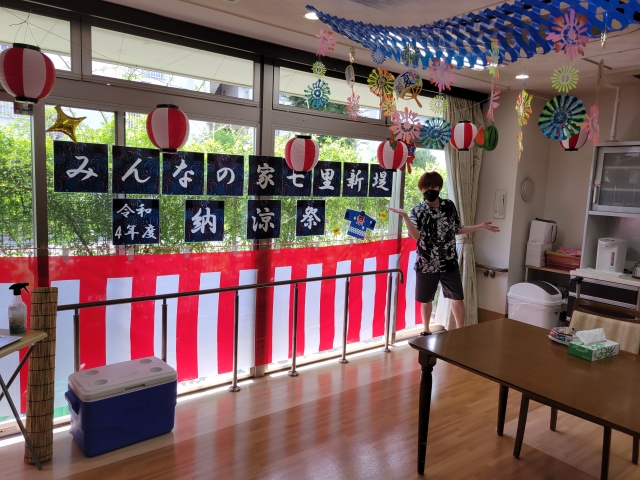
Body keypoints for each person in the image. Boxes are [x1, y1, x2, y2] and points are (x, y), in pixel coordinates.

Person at [389, 171, 499, 334]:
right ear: (421, 190)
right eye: (426, 188)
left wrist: (480, 226)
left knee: (457, 297)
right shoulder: (417, 210)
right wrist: (405, 217)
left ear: (439, 187)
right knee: (426, 300)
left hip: (449, 261)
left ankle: (460, 331)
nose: (429, 190)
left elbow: (457, 229)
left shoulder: (449, 206)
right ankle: (426, 330)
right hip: (426, 262)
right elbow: (416, 236)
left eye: (433, 187)